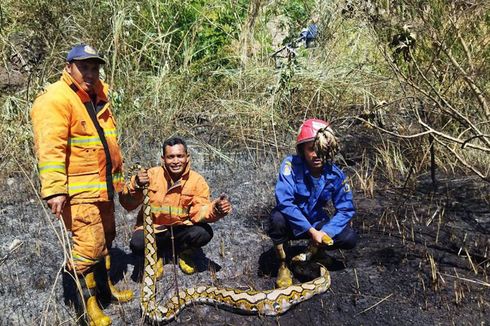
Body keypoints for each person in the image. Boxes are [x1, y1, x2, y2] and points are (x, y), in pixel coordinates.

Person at [30, 44, 133, 325]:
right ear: (69, 67)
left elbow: (106, 142)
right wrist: (54, 190)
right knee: (87, 248)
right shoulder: (55, 99)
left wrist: (118, 183)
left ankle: (105, 291)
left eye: (95, 67)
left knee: (105, 241)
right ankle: (87, 307)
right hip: (79, 191)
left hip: (103, 187)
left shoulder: (97, 95)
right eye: (84, 67)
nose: (90, 72)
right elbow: (50, 148)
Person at [119, 137, 232, 276]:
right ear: (163, 159)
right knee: (137, 243)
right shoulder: (150, 175)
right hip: (155, 230)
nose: (176, 161)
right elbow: (127, 204)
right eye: (171, 157)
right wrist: (136, 185)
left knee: (204, 233)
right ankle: (155, 256)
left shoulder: (197, 181)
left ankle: (184, 252)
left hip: (181, 229)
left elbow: (200, 211)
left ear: (187, 157)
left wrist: (216, 209)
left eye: (180, 156)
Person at [268, 118, 357, 288]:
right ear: (302, 149)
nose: (316, 154)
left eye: (320, 149)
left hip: (316, 222)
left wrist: (325, 232)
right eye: (311, 149)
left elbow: (346, 209)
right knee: (277, 218)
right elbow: (285, 201)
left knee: (349, 238)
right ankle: (284, 264)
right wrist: (311, 231)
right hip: (292, 223)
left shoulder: (335, 175)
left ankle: (316, 252)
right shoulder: (290, 165)